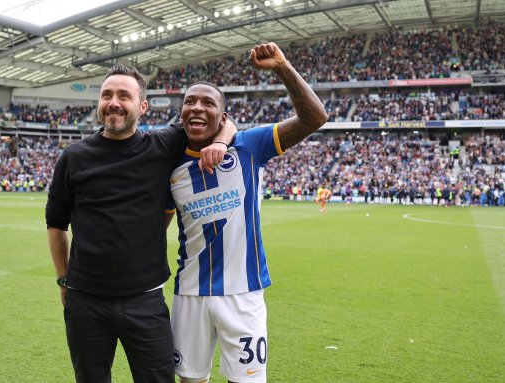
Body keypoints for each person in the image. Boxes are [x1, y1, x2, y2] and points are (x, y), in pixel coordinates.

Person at [45, 64, 236, 383]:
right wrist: (63, 279)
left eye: (124, 95)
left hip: (145, 300)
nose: (114, 102)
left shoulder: (162, 146)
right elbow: (56, 224)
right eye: (107, 95)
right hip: (85, 301)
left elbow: (221, 121)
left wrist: (222, 143)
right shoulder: (73, 157)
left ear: (142, 106)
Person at [167, 42, 328, 383]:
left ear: (223, 118)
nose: (197, 108)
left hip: (244, 293)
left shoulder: (249, 147)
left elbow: (315, 117)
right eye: (189, 102)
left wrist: (283, 66)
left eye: (208, 103)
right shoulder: (167, 162)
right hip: (189, 292)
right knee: (190, 380)